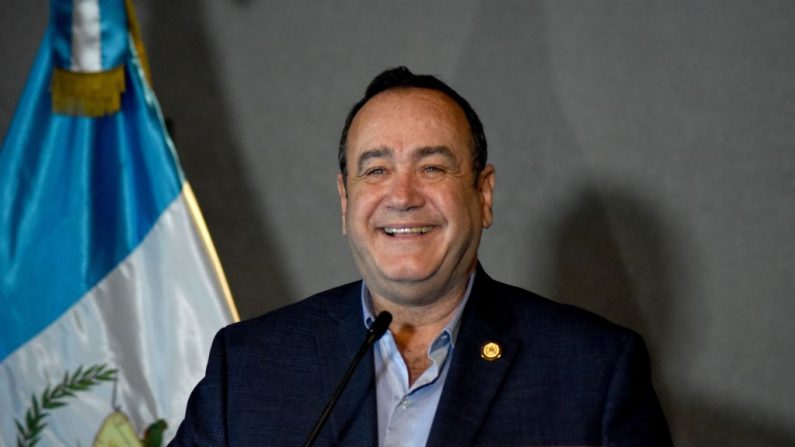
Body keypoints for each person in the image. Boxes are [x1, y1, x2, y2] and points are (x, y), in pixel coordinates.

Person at [170, 67, 673, 446]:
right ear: (346, 202)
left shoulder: (594, 373)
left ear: (483, 195)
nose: (403, 195)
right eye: (375, 170)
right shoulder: (250, 368)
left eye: (432, 167)